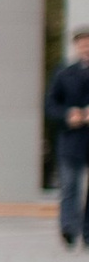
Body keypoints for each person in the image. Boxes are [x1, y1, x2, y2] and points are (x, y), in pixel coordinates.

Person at [52, 30, 89, 248]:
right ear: (76, 46)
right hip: (71, 140)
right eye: (83, 44)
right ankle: (68, 228)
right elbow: (51, 105)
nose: (86, 48)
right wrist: (68, 115)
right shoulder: (64, 73)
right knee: (69, 186)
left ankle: (87, 233)